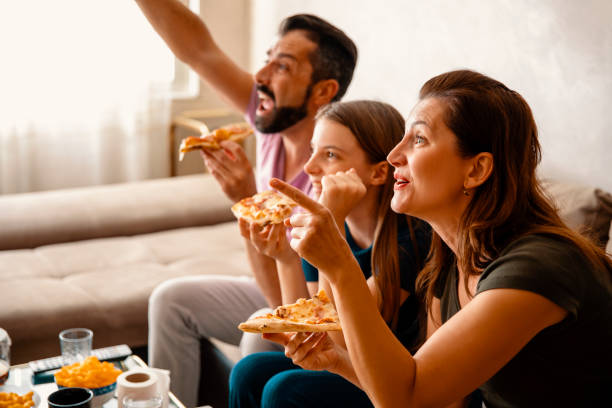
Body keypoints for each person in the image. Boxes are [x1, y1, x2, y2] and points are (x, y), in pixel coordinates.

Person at [268, 70, 612, 407]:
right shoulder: (449, 263)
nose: (393, 155)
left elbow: (407, 399)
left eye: (418, 139)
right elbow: (438, 400)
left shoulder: (537, 267)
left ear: (476, 170)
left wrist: (341, 264)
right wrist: (336, 361)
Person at [134, 2, 358, 406]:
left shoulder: (329, 182)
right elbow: (199, 51)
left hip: (302, 301)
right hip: (271, 285)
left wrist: (245, 201)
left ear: (323, 91)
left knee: (254, 346)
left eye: (283, 67)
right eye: (266, 61)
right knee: (169, 300)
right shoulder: (274, 120)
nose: (260, 76)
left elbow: (287, 306)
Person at [229, 100, 431, 408]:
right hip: (341, 364)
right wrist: (285, 258)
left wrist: (330, 224)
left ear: (378, 173)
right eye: (313, 150)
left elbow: (335, 342)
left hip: (388, 385)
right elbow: (307, 330)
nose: (309, 167)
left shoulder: (410, 242)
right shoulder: (326, 224)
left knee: (284, 389)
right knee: (249, 370)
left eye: (330, 155)